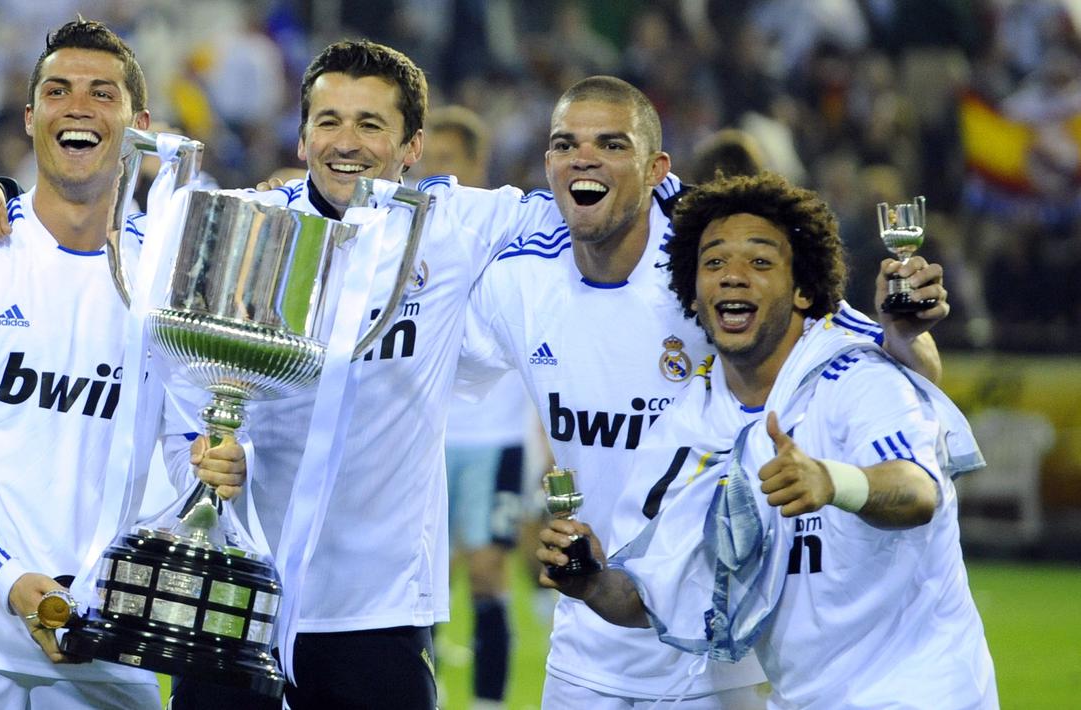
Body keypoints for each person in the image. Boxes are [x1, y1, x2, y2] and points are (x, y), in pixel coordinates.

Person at [0, 57, 947, 709]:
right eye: (326, 119)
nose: (345, 141)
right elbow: (144, 306)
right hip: (232, 590)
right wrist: (3, 203)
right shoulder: (245, 223)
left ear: (412, 146)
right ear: (300, 135)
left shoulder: (459, 226)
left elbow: (592, 202)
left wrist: (866, 316)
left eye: (371, 124)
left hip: (377, 606)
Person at [455, 77, 949, 708]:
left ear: (657, 168)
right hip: (588, 636)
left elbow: (893, 366)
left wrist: (908, 335)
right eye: (565, 144)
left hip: (720, 652)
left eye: (610, 144)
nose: (583, 158)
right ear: (548, 163)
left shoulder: (718, 263)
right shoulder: (518, 279)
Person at [0, 19, 240, 709]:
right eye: (58, 90)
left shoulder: (168, 278)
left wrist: (214, 458)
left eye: (101, 93)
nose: (78, 105)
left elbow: (180, 447)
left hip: (107, 643)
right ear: (30, 116)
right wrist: (12, 581)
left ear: (137, 125)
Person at [536, 172, 997, 708]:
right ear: (692, 292)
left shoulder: (856, 376)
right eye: (713, 263)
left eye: (759, 262)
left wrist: (831, 481)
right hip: (801, 698)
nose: (732, 277)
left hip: (923, 692)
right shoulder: (689, 426)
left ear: (803, 289)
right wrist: (591, 582)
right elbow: (645, 594)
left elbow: (918, 493)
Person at [416, 105, 529, 708]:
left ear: (475, 166)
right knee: (421, 584)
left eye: (447, 163)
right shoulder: (404, 240)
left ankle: (488, 704)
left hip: (495, 440)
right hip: (424, 442)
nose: (433, 175)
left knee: (487, 574)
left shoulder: (509, 239)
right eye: (426, 162)